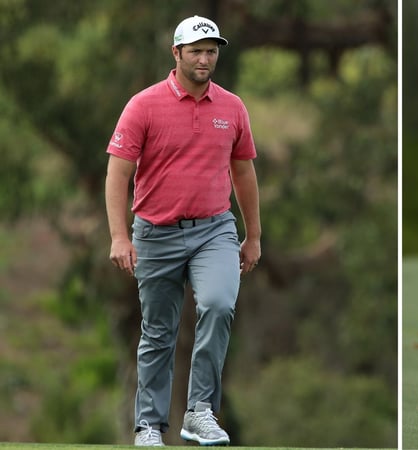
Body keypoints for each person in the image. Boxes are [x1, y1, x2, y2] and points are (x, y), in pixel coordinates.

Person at [105, 15, 261, 447]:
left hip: (215, 229)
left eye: (211, 51)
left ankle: (199, 411)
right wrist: (120, 236)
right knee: (158, 331)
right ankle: (149, 425)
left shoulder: (232, 107)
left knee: (217, 304)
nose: (205, 59)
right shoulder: (144, 105)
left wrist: (254, 236)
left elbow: (244, 172)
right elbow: (118, 174)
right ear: (176, 54)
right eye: (196, 51)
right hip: (155, 234)